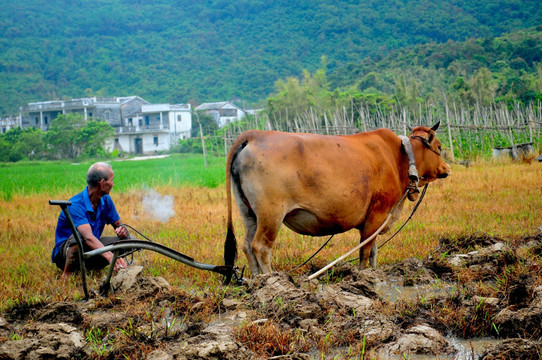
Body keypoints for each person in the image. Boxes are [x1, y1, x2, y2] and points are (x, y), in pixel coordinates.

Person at [52, 162, 129, 278]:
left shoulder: (106, 200)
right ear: (102, 183)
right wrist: (109, 256)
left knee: (129, 241)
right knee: (80, 237)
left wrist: (123, 231)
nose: (113, 184)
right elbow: (87, 237)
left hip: (91, 248)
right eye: (111, 180)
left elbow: (118, 224)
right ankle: (67, 274)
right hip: (67, 253)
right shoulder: (75, 204)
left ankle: (92, 267)